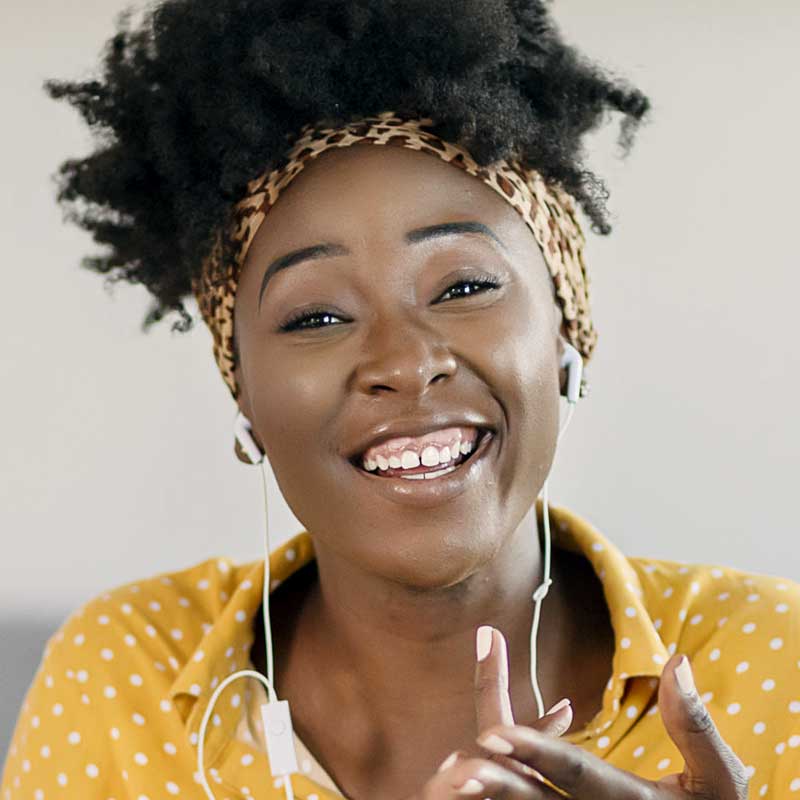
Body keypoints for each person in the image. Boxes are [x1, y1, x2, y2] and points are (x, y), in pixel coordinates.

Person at [2, 1, 798, 798]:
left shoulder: (776, 662)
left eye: (464, 286)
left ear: (566, 331)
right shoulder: (124, 677)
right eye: (316, 317)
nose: (406, 361)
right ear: (244, 394)